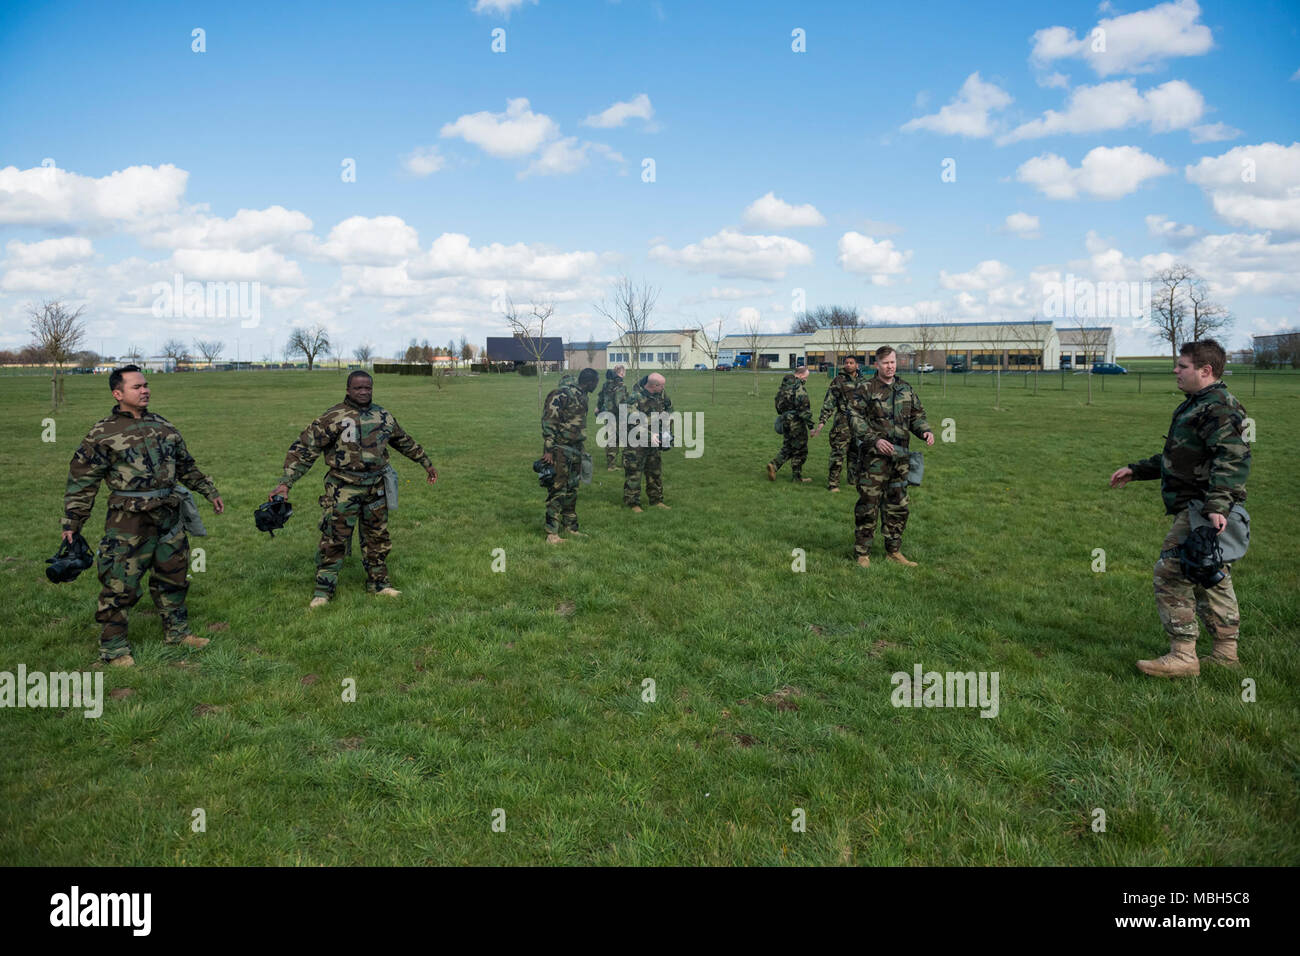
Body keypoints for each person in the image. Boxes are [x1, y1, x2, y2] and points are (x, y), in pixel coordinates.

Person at [62, 365, 225, 666]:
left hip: (169, 515)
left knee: (173, 575)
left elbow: (185, 465)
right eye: (136, 387)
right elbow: (82, 480)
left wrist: (209, 491)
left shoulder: (165, 426)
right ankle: (113, 648)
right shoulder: (103, 432)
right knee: (120, 581)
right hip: (129, 520)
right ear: (118, 393)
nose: (145, 390)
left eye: (146, 385)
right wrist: (72, 522)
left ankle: (177, 632)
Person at [1108, 340, 1251, 677]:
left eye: (1182, 365)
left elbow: (1232, 458)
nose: (1175, 370)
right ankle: (1226, 655)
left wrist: (1217, 505)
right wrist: (1138, 469)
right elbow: (1182, 457)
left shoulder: (1218, 407)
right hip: (1202, 505)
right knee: (1209, 573)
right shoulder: (1198, 403)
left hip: (1204, 507)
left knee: (1171, 572)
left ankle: (1184, 655)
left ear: (1206, 370)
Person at [270, 371, 436, 607]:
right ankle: (323, 591)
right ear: (348, 390)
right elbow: (305, 448)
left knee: (377, 537)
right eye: (358, 388)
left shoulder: (383, 416)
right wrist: (286, 483)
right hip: (343, 488)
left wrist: (426, 463)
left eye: (367, 388)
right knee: (334, 538)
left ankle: (379, 584)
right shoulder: (333, 416)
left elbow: (404, 441)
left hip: (375, 487)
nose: (363, 392)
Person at [848, 346, 933, 567]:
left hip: (900, 458)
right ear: (877, 364)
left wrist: (925, 430)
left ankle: (893, 551)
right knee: (868, 505)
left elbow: (916, 414)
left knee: (898, 505)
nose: (890, 366)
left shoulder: (905, 388)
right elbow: (855, 417)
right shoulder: (865, 388)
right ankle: (862, 553)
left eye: (893, 362)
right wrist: (874, 439)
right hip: (873, 460)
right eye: (886, 363)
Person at [542, 367, 599, 543]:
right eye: (596, 382)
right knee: (558, 489)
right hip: (560, 449)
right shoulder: (560, 395)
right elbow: (549, 422)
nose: (597, 385)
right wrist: (548, 450)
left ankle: (570, 526)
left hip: (576, 449)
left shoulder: (582, 395)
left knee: (573, 488)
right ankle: (552, 533)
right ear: (590, 382)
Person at [624, 372, 673, 513]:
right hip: (636, 442)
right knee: (634, 472)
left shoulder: (661, 394)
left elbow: (669, 408)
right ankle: (633, 503)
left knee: (655, 470)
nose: (664, 387)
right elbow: (632, 421)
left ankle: (656, 500)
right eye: (662, 385)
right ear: (653, 385)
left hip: (655, 440)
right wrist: (649, 434)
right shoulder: (634, 397)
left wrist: (668, 426)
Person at [816, 355, 860, 492]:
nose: (848, 365)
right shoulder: (838, 381)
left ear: (857, 365)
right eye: (846, 363)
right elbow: (829, 401)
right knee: (838, 452)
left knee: (856, 452)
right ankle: (833, 483)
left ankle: (853, 480)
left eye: (851, 363)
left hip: (859, 423)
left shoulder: (864, 381)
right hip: (843, 422)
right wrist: (822, 421)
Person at [767, 365, 813, 482]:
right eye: (806, 377)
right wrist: (811, 426)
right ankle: (796, 477)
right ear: (801, 375)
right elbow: (804, 408)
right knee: (801, 449)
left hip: (784, 420)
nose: (806, 380)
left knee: (788, 446)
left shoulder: (783, 387)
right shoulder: (798, 387)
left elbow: (778, 405)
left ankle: (774, 465)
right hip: (796, 421)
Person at [596, 364, 628, 470]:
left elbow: (601, 397)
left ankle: (611, 464)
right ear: (621, 373)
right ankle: (625, 463)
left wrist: (598, 407)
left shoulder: (606, 384)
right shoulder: (620, 385)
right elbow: (620, 402)